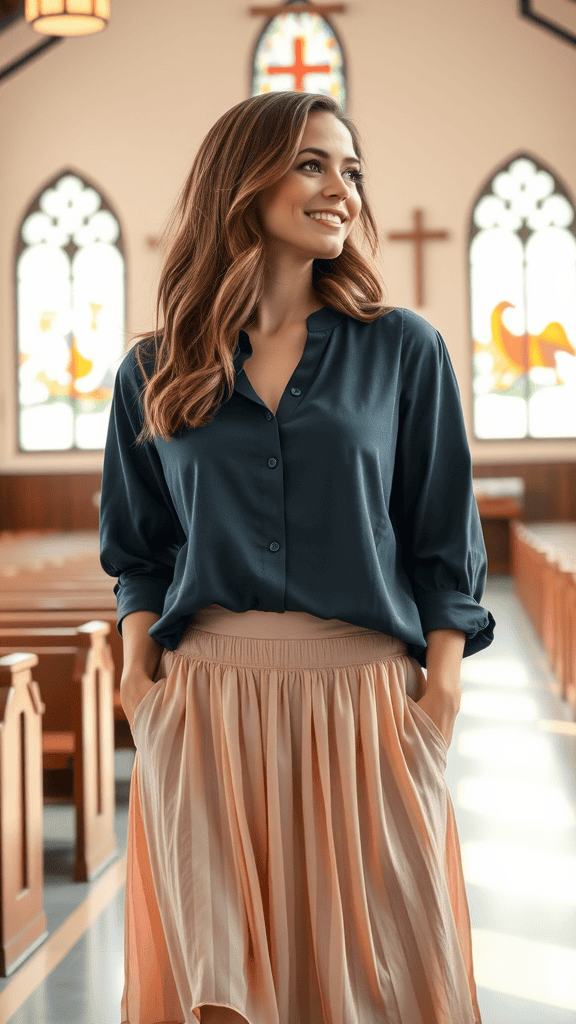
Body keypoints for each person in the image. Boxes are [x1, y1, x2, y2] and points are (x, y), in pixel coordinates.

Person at [100, 90, 495, 1024]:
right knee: (219, 995)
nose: (341, 190)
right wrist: (138, 679)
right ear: (244, 183)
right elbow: (140, 551)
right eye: (314, 164)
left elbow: (446, 545)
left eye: (351, 170)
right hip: (205, 707)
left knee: (384, 984)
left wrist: (437, 701)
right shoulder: (155, 369)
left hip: (366, 706)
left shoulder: (404, 351)